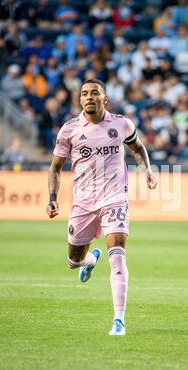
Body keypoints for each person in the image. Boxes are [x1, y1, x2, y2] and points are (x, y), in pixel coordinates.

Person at [46, 79, 158, 336]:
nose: (89, 97)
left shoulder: (121, 124)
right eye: (84, 93)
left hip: (115, 197)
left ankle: (119, 320)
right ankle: (88, 261)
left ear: (104, 98)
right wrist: (53, 197)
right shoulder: (69, 130)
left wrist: (148, 170)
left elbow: (138, 148)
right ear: (80, 99)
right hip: (83, 202)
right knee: (73, 260)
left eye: (94, 92)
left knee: (117, 254)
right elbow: (55, 167)